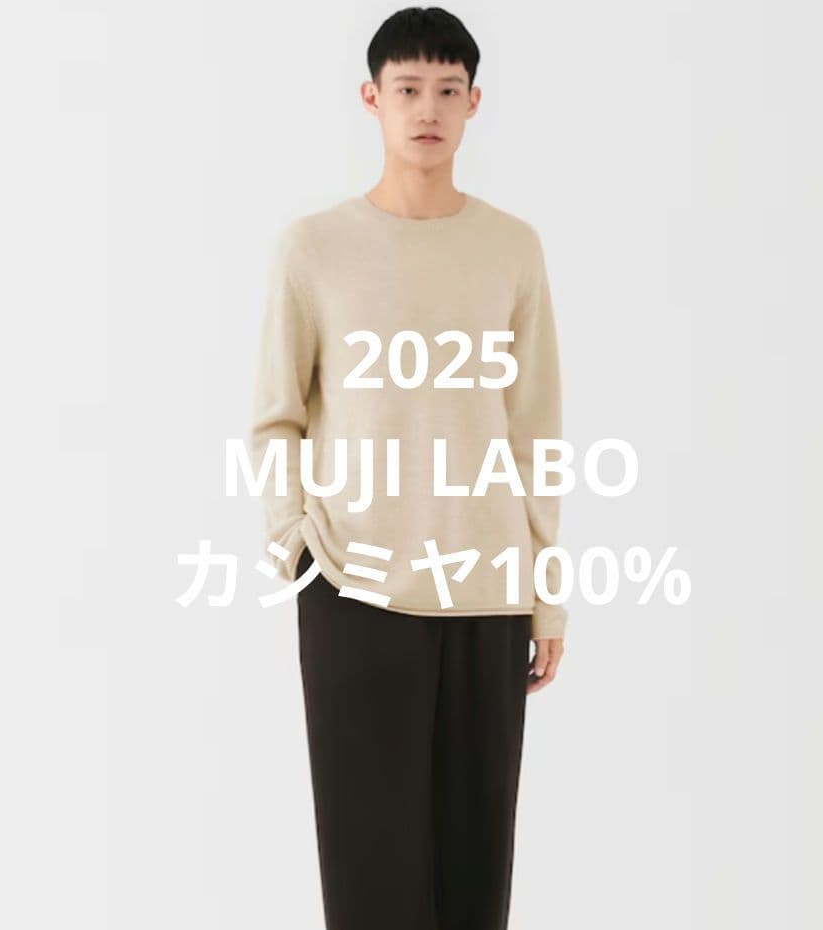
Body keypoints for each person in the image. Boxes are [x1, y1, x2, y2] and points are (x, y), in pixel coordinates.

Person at [250, 7, 567, 929]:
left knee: (475, 878)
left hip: (486, 589)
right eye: (407, 89)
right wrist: (294, 544)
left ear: (474, 103)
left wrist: (546, 593)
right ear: (372, 98)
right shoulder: (314, 248)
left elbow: (535, 430)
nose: (427, 108)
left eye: (446, 90)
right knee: (370, 877)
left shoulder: (512, 247)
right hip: (352, 582)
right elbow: (275, 416)